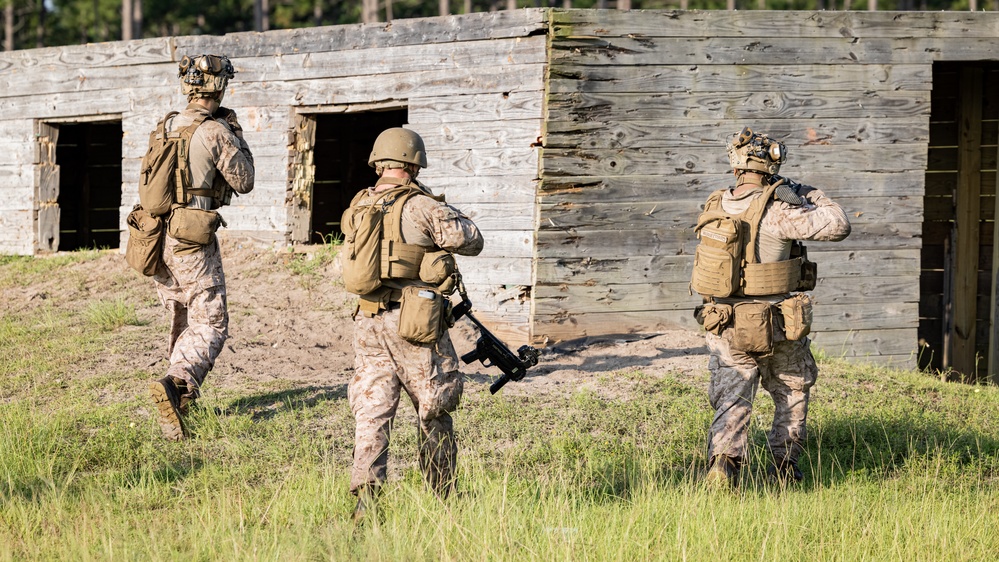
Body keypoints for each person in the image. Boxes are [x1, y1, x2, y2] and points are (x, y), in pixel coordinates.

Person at [690, 127, 851, 487]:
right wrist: (811, 193)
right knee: (792, 391)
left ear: (735, 165)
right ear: (771, 166)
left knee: (732, 397)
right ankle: (784, 471)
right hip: (776, 321)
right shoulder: (780, 209)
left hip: (724, 318)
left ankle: (723, 467)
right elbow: (839, 225)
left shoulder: (716, 204)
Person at [341, 127, 483, 521]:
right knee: (434, 405)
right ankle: (444, 497)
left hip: (368, 320)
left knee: (372, 410)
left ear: (379, 162)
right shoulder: (421, 205)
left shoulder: (358, 204)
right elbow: (471, 239)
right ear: (413, 162)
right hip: (414, 325)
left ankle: (366, 499)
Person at [147, 54, 255, 441]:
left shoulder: (165, 126)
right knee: (210, 321)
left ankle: (179, 409)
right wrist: (235, 132)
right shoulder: (215, 131)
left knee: (182, 315)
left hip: (155, 236)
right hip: (191, 237)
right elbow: (244, 181)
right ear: (219, 87)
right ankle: (176, 384)